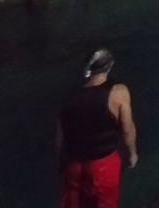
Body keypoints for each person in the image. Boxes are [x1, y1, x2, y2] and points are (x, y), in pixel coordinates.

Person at [56, 48, 137, 208]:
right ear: (109, 66)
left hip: (74, 164)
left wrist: (61, 161)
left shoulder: (69, 97)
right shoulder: (118, 92)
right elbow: (127, 129)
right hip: (102, 165)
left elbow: (60, 136)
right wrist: (132, 153)